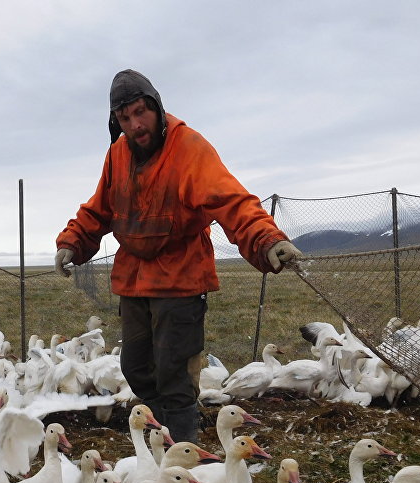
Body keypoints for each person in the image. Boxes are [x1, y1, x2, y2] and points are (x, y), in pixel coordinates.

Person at [53, 69, 300, 443]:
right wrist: (72, 241)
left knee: (175, 373)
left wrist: (266, 239)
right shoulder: (118, 155)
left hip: (181, 276)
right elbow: (99, 209)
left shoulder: (189, 148)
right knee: (135, 368)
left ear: (156, 106)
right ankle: (158, 439)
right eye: (125, 118)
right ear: (115, 121)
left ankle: (185, 451)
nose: (135, 125)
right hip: (135, 277)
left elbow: (231, 200)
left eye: (141, 112)